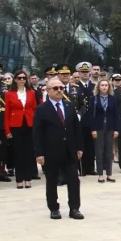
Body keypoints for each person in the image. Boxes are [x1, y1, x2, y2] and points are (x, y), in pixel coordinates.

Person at [34, 77, 83, 220]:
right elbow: (37, 133)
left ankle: (74, 208)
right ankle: (54, 208)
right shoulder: (42, 109)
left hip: (69, 150)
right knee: (52, 180)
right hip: (51, 151)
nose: (59, 91)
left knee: (74, 180)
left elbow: (76, 129)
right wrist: (39, 153)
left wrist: (79, 147)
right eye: (55, 88)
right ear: (48, 90)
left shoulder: (69, 106)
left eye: (61, 88)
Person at [5, 69, 38, 189]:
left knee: (29, 153)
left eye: (24, 78)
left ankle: (28, 178)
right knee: (18, 153)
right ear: (15, 80)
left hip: (29, 124)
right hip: (16, 125)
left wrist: (37, 127)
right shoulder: (9, 94)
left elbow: (35, 109)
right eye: (19, 78)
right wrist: (7, 130)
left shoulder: (31, 92)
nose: (22, 80)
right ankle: (19, 179)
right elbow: (7, 113)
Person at [86, 78, 119, 183]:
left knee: (109, 151)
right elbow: (91, 115)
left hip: (110, 127)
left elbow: (116, 115)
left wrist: (116, 129)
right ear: (98, 87)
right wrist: (93, 129)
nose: (104, 87)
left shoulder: (112, 99)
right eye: (102, 85)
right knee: (99, 151)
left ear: (109, 87)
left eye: (106, 85)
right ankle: (100, 174)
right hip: (98, 128)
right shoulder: (94, 99)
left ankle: (109, 174)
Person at [72, 62, 96, 176]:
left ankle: (91, 168)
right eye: (83, 72)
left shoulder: (94, 86)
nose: (85, 74)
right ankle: (81, 168)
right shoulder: (75, 86)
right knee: (81, 144)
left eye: (87, 72)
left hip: (92, 119)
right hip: (80, 119)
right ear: (79, 73)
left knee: (91, 145)